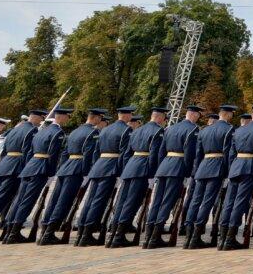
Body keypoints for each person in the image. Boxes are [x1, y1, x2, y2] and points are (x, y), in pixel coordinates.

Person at [3, 107, 70, 244]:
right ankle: (14, 233)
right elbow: (53, 155)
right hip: (41, 168)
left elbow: (29, 152)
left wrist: (28, 167)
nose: (68, 119)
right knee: (28, 201)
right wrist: (51, 173)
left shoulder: (41, 131)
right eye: (67, 116)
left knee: (19, 199)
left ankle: (9, 230)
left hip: (30, 166)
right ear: (61, 117)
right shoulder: (58, 133)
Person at [37, 108, 103, 245]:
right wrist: (86, 173)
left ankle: (45, 228)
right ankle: (49, 233)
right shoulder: (93, 132)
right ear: (96, 118)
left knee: (54, 200)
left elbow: (65, 153)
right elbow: (89, 154)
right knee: (64, 201)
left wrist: (62, 168)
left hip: (66, 168)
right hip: (77, 169)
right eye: (100, 118)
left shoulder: (74, 131)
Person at [108, 107, 168, 248]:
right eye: (164, 118)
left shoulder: (136, 130)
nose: (164, 121)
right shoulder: (158, 131)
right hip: (143, 169)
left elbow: (127, 154)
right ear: (160, 117)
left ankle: (114, 233)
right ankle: (119, 236)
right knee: (132, 202)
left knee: (122, 201)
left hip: (130, 167)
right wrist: (152, 175)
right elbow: (154, 155)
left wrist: (126, 170)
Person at [143, 104, 201, 249]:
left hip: (164, 166)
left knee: (156, 201)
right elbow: (189, 155)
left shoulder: (169, 128)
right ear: (194, 115)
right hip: (177, 168)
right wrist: (188, 173)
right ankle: (155, 237)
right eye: (198, 115)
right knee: (167, 201)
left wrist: (160, 168)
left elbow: (161, 151)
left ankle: (148, 236)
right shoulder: (193, 130)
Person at [76, 106, 134, 246]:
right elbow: (124, 154)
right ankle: (87, 233)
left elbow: (96, 152)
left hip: (99, 166)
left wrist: (95, 167)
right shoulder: (126, 130)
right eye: (131, 114)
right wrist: (121, 173)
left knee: (90, 200)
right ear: (127, 116)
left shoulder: (105, 129)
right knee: (99, 201)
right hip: (111, 168)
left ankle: (82, 231)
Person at [183, 104, 236, 248]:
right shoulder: (229, 129)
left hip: (202, 168)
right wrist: (228, 173)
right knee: (207, 202)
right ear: (228, 115)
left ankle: (188, 236)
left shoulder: (204, 130)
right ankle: (196, 236)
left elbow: (198, 154)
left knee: (195, 201)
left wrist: (196, 171)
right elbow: (228, 153)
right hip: (217, 168)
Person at [217, 104, 253, 250]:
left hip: (235, 167)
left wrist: (231, 169)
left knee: (229, 202)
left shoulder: (238, 130)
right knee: (240, 202)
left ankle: (222, 237)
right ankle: (230, 238)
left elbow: (231, 153)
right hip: (250, 168)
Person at [0, 109, 41, 240]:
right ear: (36, 118)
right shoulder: (32, 130)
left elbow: (4, 149)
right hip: (15, 167)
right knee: (0, 199)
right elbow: (27, 151)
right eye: (41, 118)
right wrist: (25, 169)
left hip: (4, 165)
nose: (41, 121)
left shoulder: (14, 129)